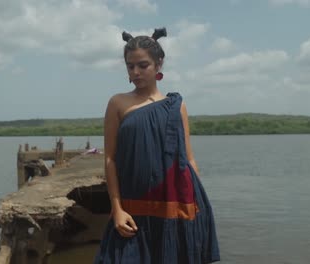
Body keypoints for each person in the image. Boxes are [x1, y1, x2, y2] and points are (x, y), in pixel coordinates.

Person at [94, 27, 220, 264]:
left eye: (143, 65)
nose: (136, 72)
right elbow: (110, 158)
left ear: (158, 64)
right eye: (130, 66)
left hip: (175, 203)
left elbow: (189, 158)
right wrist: (116, 208)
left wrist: (196, 204)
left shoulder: (176, 106)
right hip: (134, 204)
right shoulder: (118, 103)